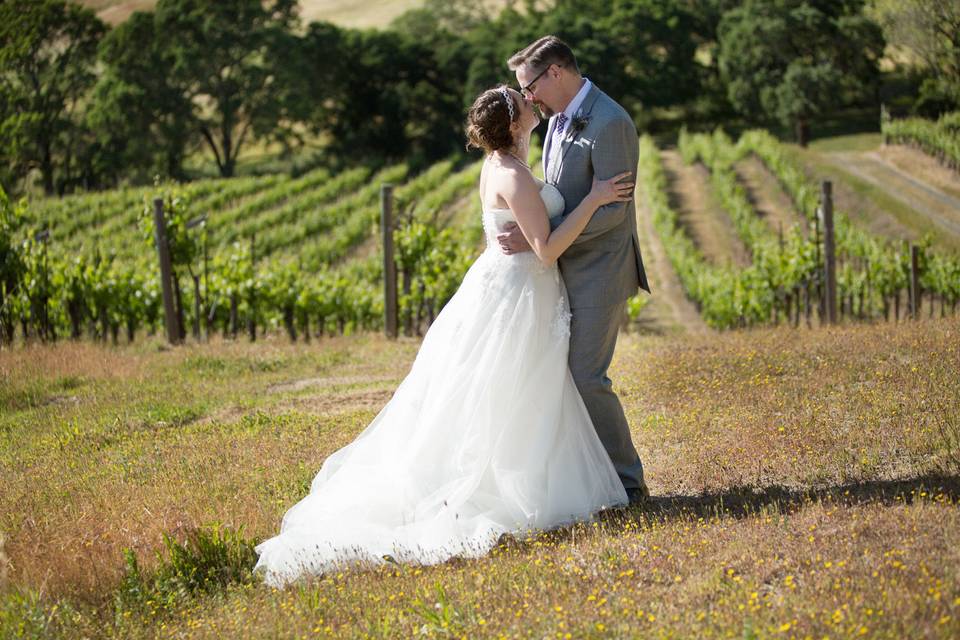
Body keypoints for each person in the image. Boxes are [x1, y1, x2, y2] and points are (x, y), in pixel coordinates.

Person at [253, 84, 635, 588]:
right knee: (514, 387)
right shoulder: (514, 174)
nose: (529, 100)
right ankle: (504, 487)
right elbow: (545, 250)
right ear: (514, 122)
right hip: (521, 291)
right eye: (521, 101)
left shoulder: (502, 165)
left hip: (513, 286)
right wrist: (594, 199)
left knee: (519, 390)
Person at [499, 36, 651, 504]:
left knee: (587, 377)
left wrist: (542, 239)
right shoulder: (556, 121)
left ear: (557, 73)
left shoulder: (611, 123)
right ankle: (592, 480)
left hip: (601, 268)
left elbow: (612, 212)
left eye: (529, 87)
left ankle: (629, 483)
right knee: (560, 376)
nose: (527, 98)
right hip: (562, 266)